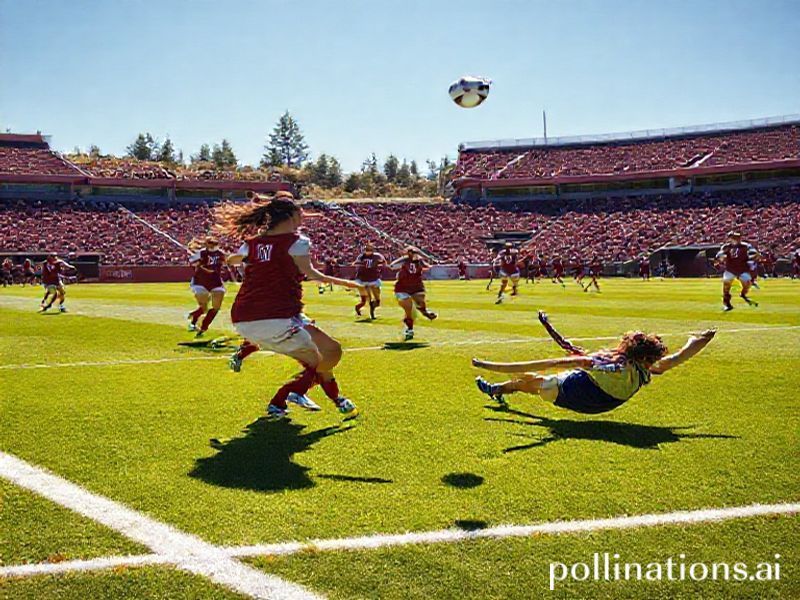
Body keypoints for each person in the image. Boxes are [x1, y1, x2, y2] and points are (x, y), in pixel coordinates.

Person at [220, 191, 359, 420]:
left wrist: (241, 260)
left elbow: (233, 259)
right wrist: (350, 284)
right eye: (300, 213)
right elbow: (311, 273)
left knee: (323, 355)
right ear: (292, 215)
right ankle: (294, 392)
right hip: (277, 316)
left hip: (244, 318)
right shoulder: (297, 242)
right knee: (323, 356)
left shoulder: (252, 244)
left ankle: (328, 400)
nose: (303, 217)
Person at [473, 311, 716, 414]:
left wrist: (489, 365)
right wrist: (701, 340)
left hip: (575, 394)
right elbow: (678, 358)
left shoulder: (609, 364)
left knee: (532, 380)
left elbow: (555, 358)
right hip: (601, 403)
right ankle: (498, 390)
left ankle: (497, 388)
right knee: (534, 381)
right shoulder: (647, 368)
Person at [389, 247, 438, 341]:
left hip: (417, 286)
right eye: (412, 253)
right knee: (410, 310)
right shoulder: (404, 260)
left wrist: (430, 260)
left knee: (421, 303)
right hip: (402, 288)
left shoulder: (420, 261)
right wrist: (402, 260)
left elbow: (428, 267)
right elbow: (392, 266)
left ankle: (425, 312)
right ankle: (409, 329)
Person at [186, 237, 228, 337]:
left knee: (216, 307)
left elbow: (226, 262)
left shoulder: (220, 254)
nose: (213, 246)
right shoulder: (201, 253)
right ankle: (194, 320)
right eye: (210, 244)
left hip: (215, 281)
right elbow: (191, 261)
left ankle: (203, 327)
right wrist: (199, 262)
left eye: (215, 244)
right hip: (200, 281)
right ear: (206, 244)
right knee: (204, 307)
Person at [716, 231, 759, 311]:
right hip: (730, 269)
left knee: (747, 285)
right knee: (726, 285)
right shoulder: (726, 247)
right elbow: (720, 255)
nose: (736, 239)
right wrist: (721, 258)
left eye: (738, 238)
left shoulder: (746, 246)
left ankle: (743, 293)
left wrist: (752, 259)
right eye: (734, 238)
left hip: (742, 269)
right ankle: (727, 303)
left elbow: (754, 253)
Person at [353, 243, 386, 319]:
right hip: (363, 280)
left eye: (369, 250)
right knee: (366, 300)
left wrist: (378, 267)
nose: (367, 251)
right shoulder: (361, 257)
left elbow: (384, 263)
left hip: (373, 279)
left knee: (377, 301)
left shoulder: (377, 256)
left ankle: (365, 310)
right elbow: (355, 264)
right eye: (366, 250)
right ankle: (370, 313)